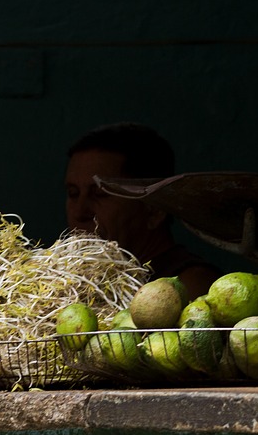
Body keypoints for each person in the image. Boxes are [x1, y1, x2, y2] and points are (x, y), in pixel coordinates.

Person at [65, 122, 222, 301]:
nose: (80, 211)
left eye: (100, 194)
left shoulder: (191, 287)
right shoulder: (76, 286)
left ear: (154, 210)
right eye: (73, 193)